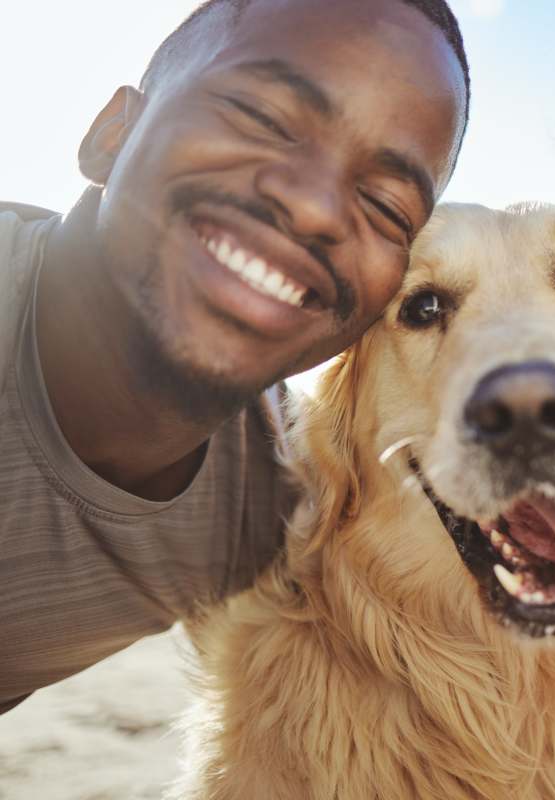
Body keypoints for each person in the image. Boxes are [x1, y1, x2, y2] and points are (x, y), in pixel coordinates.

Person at [0, 0, 469, 715]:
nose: (315, 208)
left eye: (385, 205)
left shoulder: (276, 511)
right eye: (263, 120)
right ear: (111, 136)